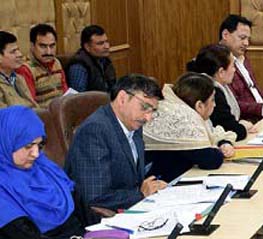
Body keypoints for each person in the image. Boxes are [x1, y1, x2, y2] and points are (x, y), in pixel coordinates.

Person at [66, 74, 167, 224]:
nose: (148, 118)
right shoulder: (95, 130)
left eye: (153, 111)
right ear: (122, 98)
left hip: (133, 210)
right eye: (145, 107)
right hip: (103, 220)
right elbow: (95, 197)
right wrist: (140, 194)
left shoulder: (133, 123)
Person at [0, 106, 84, 238]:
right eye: (28, 146)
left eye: (39, 145)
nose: (35, 154)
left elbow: (83, 211)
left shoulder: (44, 168)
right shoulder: (3, 190)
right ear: (6, 143)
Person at [143, 73, 237, 182]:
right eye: (212, 100)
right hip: (160, 185)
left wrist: (223, 142)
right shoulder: (182, 119)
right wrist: (218, 150)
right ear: (199, 105)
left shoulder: (179, 108)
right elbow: (212, 160)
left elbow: (214, 133)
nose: (215, 105)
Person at [188, 44, 254, 141]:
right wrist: (243, 126)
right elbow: (231, 130)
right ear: (221, 72)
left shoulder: (214, 85)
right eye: (232, 66)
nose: (234, 70)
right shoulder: (212, 92)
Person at [22, 24, 70, 106]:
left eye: (52, 46)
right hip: (43, 116)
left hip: (62, 111)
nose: (48, 52)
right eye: (43, 46)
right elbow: (30, 104)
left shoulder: (56, 62)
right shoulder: (26, 68)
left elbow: (65, 92)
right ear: (32, 46)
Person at [66, 25, 116, 93]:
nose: (107, 46)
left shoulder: (104, 59)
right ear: (87, 47)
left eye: (107, 42)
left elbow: (112, 86)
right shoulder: (78, 66)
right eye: (100, 43)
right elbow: (78, 97)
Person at [0, 31, 36, 108]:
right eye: (13, 52)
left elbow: (33, 105)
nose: (19, 54)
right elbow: (5, 116)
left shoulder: (19, 78)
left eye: (18, 50)